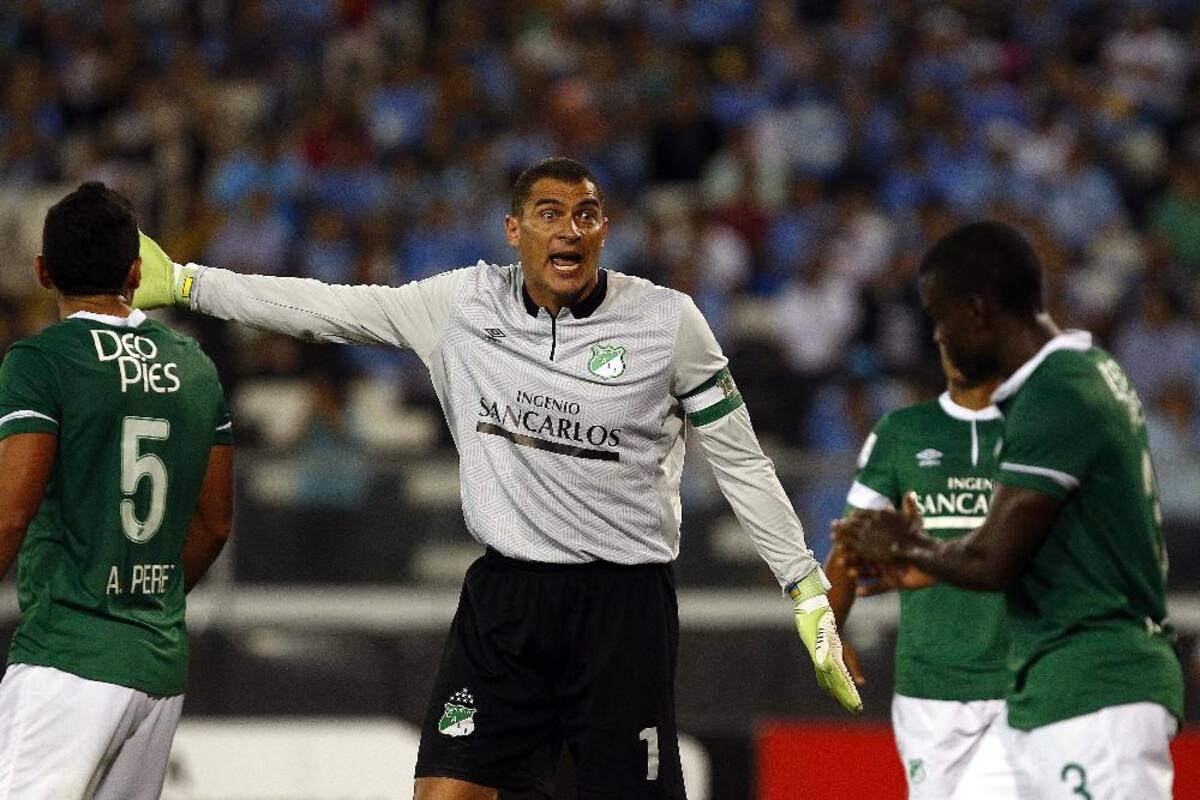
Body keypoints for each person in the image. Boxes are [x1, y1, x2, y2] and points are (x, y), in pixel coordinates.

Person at [134, 156, 861, 799]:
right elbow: (325, 309)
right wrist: (189, 283)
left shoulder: (668, 324)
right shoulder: (459, 305)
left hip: (623, 609)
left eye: (587, 215)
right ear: (514, 231)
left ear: (604, 230)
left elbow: (740, 460)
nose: (570, 230)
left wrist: (806, 593)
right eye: (550, 214)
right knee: (445, 793)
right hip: (506, 602)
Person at [835, 221, 1183, 799]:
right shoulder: (1088, 372)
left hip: (1095, 687)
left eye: (939, 317)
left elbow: (995, 560)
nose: (938, 338)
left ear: (977, 311)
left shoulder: (1058, 392)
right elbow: (1031, 546)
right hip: (1065, 686)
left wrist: (906, 544)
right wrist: (933, 562)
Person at [0, 182, 235, 798]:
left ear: (42, 272)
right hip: (156, 662)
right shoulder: (195, 365)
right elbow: (215, 524)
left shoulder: (42, 361)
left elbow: (11, 511)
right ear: (135, 272)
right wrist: (137, 609)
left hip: (68, 654)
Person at [826, 348, 1015, 799]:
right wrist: (827, 637)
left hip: (1021, 680)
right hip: (929, 686)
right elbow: (851, 543)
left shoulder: (1038, 432)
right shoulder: (901, 433)